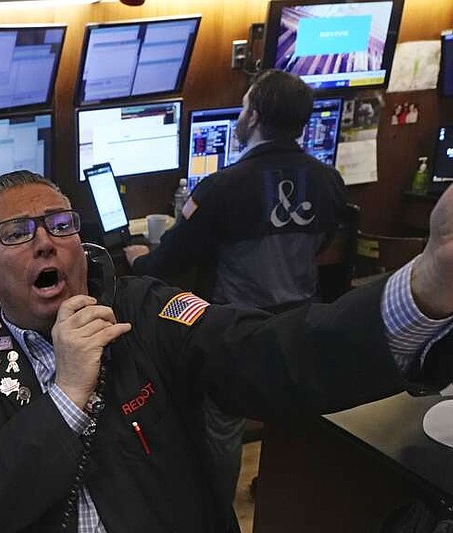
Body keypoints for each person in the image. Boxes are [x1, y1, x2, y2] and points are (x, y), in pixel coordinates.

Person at [0, 86, 453, 533]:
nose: (46, 240)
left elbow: (273, 353)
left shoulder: (140, 310)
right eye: (17, 232)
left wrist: (432, 279)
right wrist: (68, 392)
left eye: (59, 223)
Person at [124, 69, 348, 506]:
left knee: (221, 425)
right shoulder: (327, 180)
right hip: (301, 324)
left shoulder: (222, 187)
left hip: (236, 331)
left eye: (245, 106)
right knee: (289, 414)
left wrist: (138, 258)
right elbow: (325, 241)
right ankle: (284, 497)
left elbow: (168, 263)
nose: (242, 114)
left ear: (255, 115)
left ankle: (215, 510)